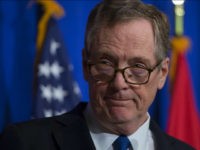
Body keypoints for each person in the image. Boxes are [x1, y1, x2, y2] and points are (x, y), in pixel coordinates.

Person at [0, 0, 195, 150]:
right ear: (86, 65)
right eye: (106, 63)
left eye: (138, 67)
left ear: (162, 73)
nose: (119, 83)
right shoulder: (26, 143)